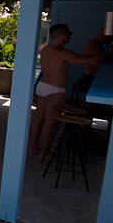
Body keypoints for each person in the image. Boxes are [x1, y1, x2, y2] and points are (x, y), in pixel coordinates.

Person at [28, 24, 104, 158]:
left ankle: (33, 148)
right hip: (55, 89)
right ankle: (44, 152)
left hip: (42, 85)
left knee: (38, 118)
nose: (70, 36)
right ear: (63, 36)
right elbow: (91, 60)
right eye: (69, 34)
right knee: (50, 123)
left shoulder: (46, 50)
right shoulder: (63, 53)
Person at [72, 28, 113, 95]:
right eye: (110, 38)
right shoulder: (92, 44)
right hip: (89, 77)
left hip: (91, 76)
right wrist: (112, 51)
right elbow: (98, 60)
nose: (110, 41)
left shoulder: (97, 44)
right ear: (104, 36)